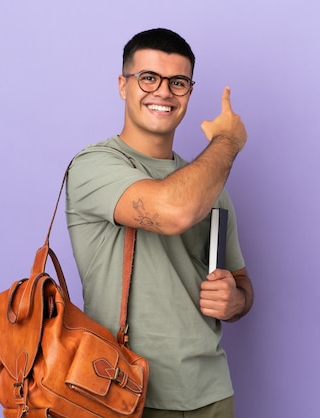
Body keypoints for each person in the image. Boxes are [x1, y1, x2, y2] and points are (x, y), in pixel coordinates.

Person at [66, 28, 253, 418]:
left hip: (211, 393)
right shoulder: (93, 165)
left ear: (188, 91)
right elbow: (173, 211)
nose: (164, 92)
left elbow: (242, 283)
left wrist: (235, 300)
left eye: (178, 82)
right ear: (123, 85)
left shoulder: (208, 184)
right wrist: (228, 142)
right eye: (148, 78)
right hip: (122, 391)